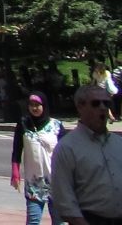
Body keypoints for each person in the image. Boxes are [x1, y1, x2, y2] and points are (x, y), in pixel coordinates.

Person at [52, 83, 122, 225]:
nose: (103, 108)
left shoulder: (118, 143)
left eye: (106, 103)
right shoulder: (67, 147)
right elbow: (64, 201)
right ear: (80, 107)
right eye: (96, 103)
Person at [13, 93, 66, 225]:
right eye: (31, 105)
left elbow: (67, 153)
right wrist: (15, 172)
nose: (34, 108)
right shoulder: (23, 124)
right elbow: (17, 149)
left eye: (38, 105)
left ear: (44, 105)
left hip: (56, 182)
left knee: (59, 222)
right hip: (34, 183)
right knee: (33, 221)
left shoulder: (56, 125)